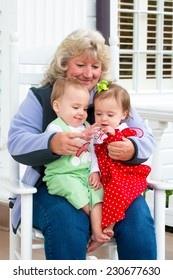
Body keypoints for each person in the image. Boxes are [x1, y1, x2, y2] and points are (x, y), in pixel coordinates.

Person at [8, 29, 157, 260]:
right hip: (54, 184)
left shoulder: (109, 97)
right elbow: (17, 141)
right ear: (64, 64)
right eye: (81, 65)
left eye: (95, 67)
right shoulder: (42, 98)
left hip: (109, 183)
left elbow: (145, 138)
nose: (89, 74)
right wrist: (52, 142)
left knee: (137, 219)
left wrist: (132, 148)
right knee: (67, 221)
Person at [43, 77, 113, 248]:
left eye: (84, 108)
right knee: (77, 192)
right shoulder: (55, 128)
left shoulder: (85, 126)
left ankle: (97, 232)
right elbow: (64, 141)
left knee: (98, 194)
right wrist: (84, 136)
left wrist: (94, 171)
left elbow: (94, 152)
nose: (81, 113)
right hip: (62, 176)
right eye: (75, 107)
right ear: (57, 107)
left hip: (84, 175)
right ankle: (98, 223)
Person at [87, 81, 151, 253]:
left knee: (117, 190)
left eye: (110, 114)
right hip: (104, 174)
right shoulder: (96, 131)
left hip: (122, 173)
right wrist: (94, 171)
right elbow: (91, 152)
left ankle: (110, 224)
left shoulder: (123, 129)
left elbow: (135, 139)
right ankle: (98, 230)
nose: (103, 119)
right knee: (96, 195)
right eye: (98, 114)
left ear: (123, 114)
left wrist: (114, 136)